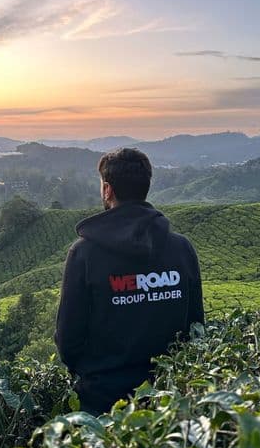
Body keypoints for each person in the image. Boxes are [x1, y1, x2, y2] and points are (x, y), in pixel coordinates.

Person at [55, 147, 204, 415]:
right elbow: (196, 327)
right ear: (146, 187)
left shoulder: (85, 253)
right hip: (168, 400)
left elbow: (68, 339)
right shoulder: (182, 249)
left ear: (107, 190)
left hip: (102, 405)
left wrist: (94, 375)